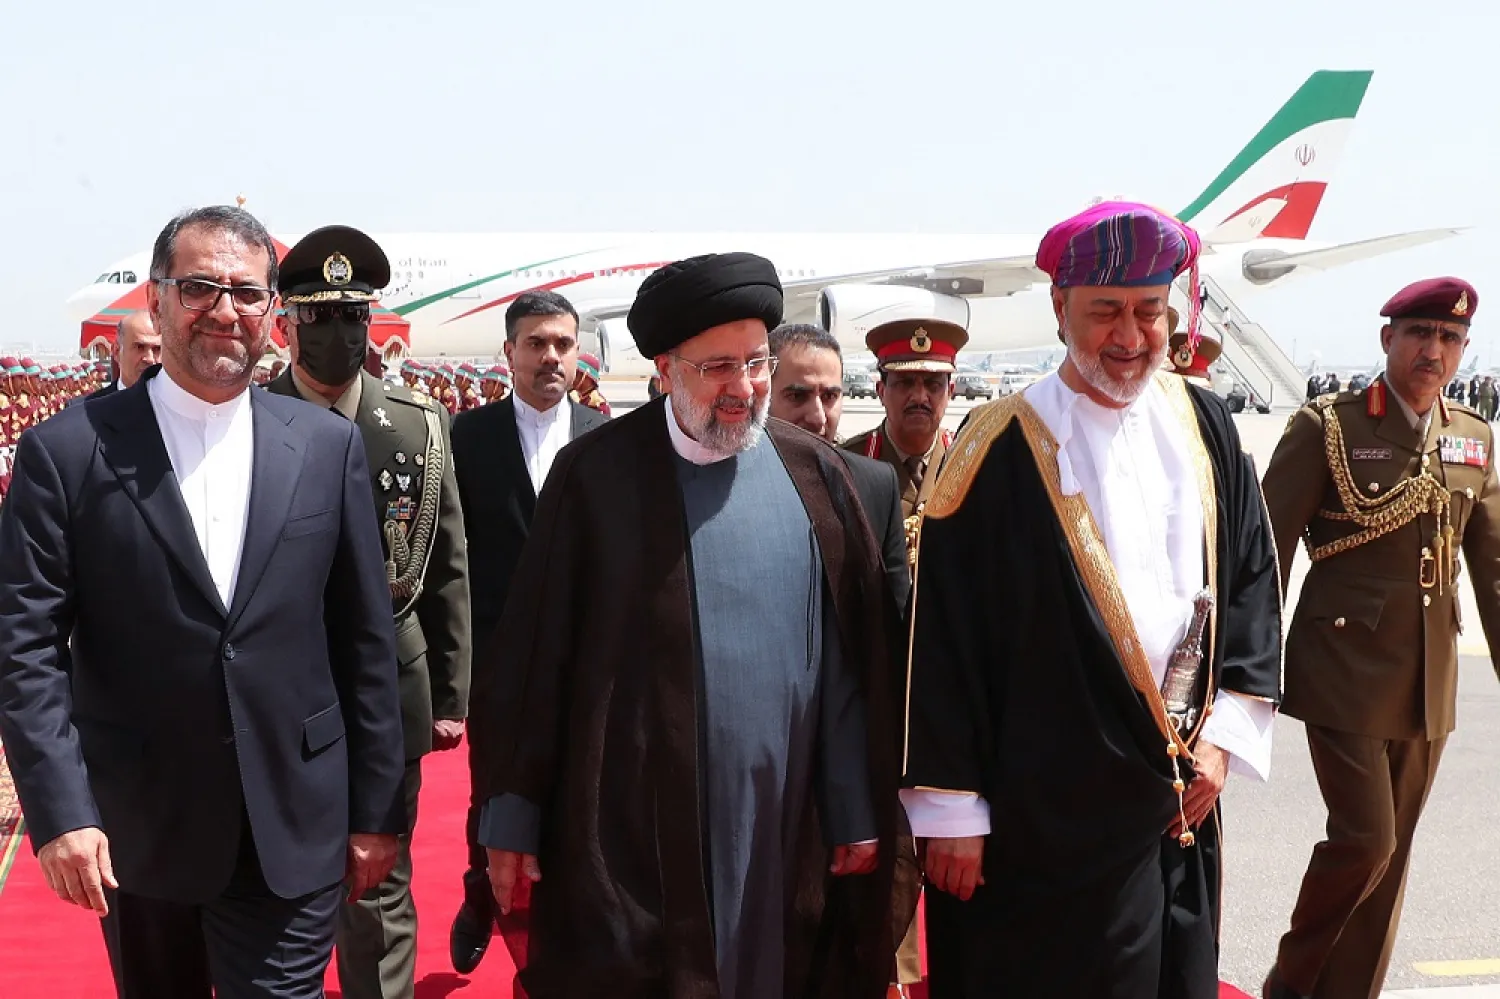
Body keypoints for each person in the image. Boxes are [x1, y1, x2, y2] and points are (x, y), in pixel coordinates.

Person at [468, 252, 913, 997]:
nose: (744, 388)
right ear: (666, 368)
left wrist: (853, 803)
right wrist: (511, 818)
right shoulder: (593, 477)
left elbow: (843, 669)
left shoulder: (824, 482)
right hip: (629, 832)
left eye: (757, 363)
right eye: (717, 368)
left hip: (784, 823)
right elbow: (536, 658)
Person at [0, 204, 406, 998]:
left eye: (247, 293)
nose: (225, 311)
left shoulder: (326, 448)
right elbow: (26, 647)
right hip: (138, 826)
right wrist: (60, 809)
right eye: (199, 288)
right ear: (153, 302)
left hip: (290, 820)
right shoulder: (70, 452)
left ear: (273, 317)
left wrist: (378, 806)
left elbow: (364, 638)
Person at [902, 202, 1283, 999]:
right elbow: (942, 639)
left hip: (1178, 798)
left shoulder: (1205, 423)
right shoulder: (996, 444)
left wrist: (1223, 736)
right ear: (1059, 308)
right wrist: (953, 810)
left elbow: (1251, 583)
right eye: (1105, 311)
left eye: (1150, 311)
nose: (1130, 334)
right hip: (1042, 816)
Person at [1260, 278, 1499, 999]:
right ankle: (1290, 983)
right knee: (1367, 839)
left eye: (1450, 338)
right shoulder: (1329, 427)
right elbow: (1264, 550)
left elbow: (1491, 566)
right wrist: (1240, 670)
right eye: (1420, 332)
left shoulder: (1470, 435)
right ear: (1387, 338)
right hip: (1342, 664)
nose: (1434, 349)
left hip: (1429, 680)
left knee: (1391, 863)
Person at [263, 224, 472, 999]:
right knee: (281, 875)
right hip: (284, 690)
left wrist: (452, 694)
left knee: (381, 880)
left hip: (393, 682)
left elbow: (448, 566)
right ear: (287, 324)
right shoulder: (251, 421)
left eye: (353, 317)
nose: (339, 335)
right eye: (319, 318)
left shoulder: (417, 427)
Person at [446, 289, 608, 975]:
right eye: (536, 343)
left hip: (585, 663)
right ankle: (480, 890)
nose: (551, 357)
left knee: (581, 794)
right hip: (495, 666)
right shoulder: (465, 438)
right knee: (492, 791)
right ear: (508, 352)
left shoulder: (606, 437)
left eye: (563, 344)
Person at [767, 320, 916, 997]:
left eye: (832, 395)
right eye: (798, 394)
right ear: (763, 387)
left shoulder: (873, 483)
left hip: (845, 759)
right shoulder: (725, 479)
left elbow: (892, 628)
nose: (819, 413)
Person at [841, 319, 964, 559]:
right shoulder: (850, 464)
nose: (919, 397)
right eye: (905, 382)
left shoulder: (967, 463)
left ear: (950, 392)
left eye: (933, 384)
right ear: (881, 391)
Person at [89, 311, 163, 401]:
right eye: (140, 347)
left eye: (157, 349)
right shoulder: (88, 411)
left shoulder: (180, 405)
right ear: (116, 351)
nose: (150, 359)